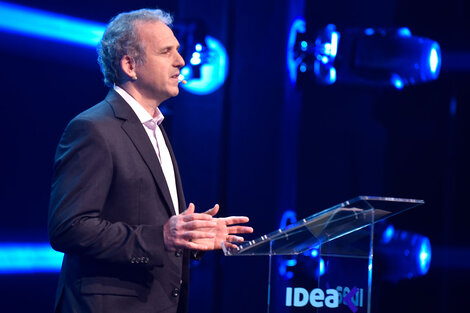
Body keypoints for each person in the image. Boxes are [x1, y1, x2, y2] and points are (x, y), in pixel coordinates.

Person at [48, 8, 252, 313]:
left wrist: (189, 237)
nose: (181, 61)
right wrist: (163, 236)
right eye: (166, 51)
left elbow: (153, 225)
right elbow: (69, 228)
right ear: (130, 65)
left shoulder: (154, 128)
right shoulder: (93, 128)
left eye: (178, 51)